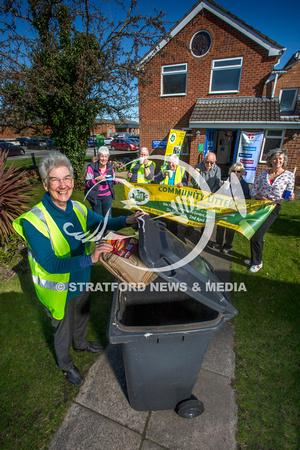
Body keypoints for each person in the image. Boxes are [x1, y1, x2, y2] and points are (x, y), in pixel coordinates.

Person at [13, 151, 143, 387]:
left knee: (82, 314)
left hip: (82, 277)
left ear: (73, 181)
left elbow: (101, 222)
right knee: (63, 330)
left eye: (67, 178)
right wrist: (90, 258)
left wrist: (127, 221)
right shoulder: (35, 221)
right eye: (55, 179)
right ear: (45, 183)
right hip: (58, 290)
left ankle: (81, 344)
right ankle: (66, 364)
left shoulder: (78, 209)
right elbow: (50, 264)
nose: (63, 185)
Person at [245, 148, 294, 273]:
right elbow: (253, 190)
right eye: (275, 158)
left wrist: (291, 197)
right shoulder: (263, 174)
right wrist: (261, 197)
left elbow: (288, 198)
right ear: (271, 160)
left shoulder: (289, 176)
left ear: (284, 161)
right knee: (253, 233)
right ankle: (254, 258)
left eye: (280, 158)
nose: (277, 160)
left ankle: (258, 262)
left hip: (273, 208)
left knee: (258, 235)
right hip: (260, 205)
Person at [213, 162, 251, 254]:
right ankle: (218, 243)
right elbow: (220, 194)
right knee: (220, 226)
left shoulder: (244, 184)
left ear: (241, 172)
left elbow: (248, 198)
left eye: (238, 171)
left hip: (235, 209)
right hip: (224, 208)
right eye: (234, 171)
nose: (236, 173)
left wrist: (240, 198)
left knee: (230, 228)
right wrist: (221, 187)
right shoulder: (226, 180)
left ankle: (228, 246)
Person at [154, 154, 188, 235]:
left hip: (175, 198)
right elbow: (155, 180)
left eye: (173, 163)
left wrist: (182, 184)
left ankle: (173, 235)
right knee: (163, 218)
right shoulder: (164, 169)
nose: (170, 164)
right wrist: (162, 176)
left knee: (173, 219)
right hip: (164, 198)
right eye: (169, 162)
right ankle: (162, 233)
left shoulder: (181, 170)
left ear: (177, 163)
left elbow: (185, 183)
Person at [85, 146, 117, 217]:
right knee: (98, 217)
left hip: (107, 196)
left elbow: (112, 181)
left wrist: (118, 180)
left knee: (108, 216)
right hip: (96, 196)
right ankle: (100, 228)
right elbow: (87, 183)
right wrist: (96, 179)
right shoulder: (91, 167)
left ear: (108, 157)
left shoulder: (110, 168)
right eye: (102, 156)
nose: (104, 159)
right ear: (98, 156)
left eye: (106, 156)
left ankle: (107, 228)